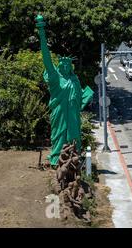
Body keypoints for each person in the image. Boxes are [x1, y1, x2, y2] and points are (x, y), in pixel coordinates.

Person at [36, 15, 94, 165]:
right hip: (60, 114)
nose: (66, 67)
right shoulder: (55, 78)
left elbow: (80, 97)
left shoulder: (74, 80)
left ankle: (75, 159)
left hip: (73, 116)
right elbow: (46, 58)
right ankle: (57, 159)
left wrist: (86, 96)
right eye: (64, 64)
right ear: (60, 66)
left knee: (74, 137)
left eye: (69, 65)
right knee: (59, 136)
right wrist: (42, 33)